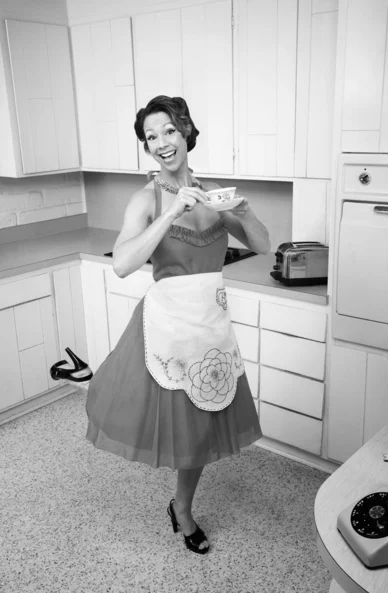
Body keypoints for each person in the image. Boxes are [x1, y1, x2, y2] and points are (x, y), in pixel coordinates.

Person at [85, 95, 271, 555]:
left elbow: (264, 245)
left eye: (169, 130)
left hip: (210, 327)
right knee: (184, 429)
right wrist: (170, 210)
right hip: (167, 328)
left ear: (186, 131)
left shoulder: (211, 197)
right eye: (151, 137)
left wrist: (242, 211)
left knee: (205, 430)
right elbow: (124, 264)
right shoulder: (144, 198)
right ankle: (185, 514)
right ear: (147, 148)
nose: (162, 143)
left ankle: (180, 503)